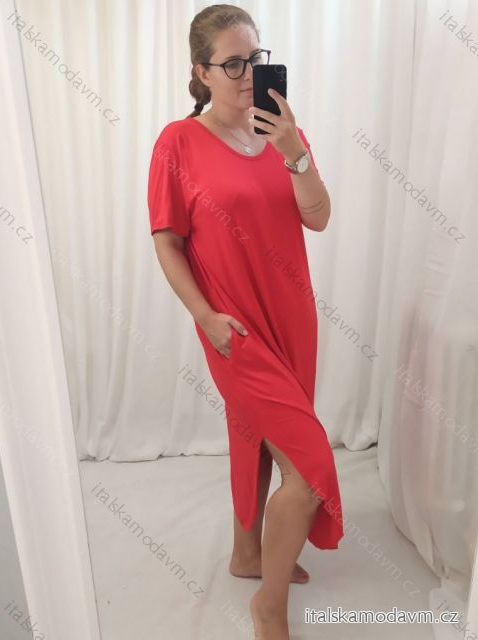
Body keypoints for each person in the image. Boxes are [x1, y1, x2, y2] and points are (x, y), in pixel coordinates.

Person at [147, 5, 344, 639]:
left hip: (293, 318)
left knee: (254, 437)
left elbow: (318, 218)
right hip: (234, 328)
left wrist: (294, 153)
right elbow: (168, 240)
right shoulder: (178, 142)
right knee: (307, 473)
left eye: (255, 59)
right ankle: (269, 605)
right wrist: (203, 316)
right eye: (232, 63)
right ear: (201, 72)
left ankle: (248, 555)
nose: (248, 73)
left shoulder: (283, 131)